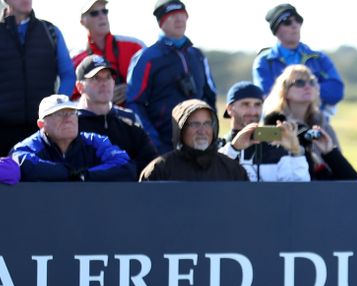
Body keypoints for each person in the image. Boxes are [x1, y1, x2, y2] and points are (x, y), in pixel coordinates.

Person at [0, 0, 75, 158]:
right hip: (0, 130)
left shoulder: (51, 31)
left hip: (43, 131)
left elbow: (68, 75)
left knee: (46, 180)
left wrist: (56, 109)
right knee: (1, 181)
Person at [126, 0, 217, 154]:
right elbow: (134, 103)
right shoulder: (146, 58)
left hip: (200, 144)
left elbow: (210, 98)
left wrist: (212, 135)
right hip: (164, 145)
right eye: (172, 15)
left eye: (182, 14)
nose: (179, 19)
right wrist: (153, 141)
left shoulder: (198, 55)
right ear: (161, 22)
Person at [263, 65, 357, 181]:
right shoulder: (274, 125)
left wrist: (329, 153)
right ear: (285, 91)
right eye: (299, 83)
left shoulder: (323, 127)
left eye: (312, 82)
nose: (308, 86)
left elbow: (352, 181)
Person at [11, 94, 136, 182]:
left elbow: (125, 165)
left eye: (72, 112)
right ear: (42, 125)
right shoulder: (31, 146)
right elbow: (18, 161)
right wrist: (67, 173)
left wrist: (84, 175)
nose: (68, 118)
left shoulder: (94, 141)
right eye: (59, 114)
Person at [253, 4, 344, 118]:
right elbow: (267, 97)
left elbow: (336, 93)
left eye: (298, 20)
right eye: (287, 22)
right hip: (280, 124)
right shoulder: (265, 61)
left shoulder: (319, 58)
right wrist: (312, 90)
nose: (295, 25)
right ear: (276, 30)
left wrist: (296, 90)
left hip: (315, 122)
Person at [76, 55, 159, 172]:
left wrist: (124, 172)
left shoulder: (129, 119)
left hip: (128, 189)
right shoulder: (71, 122)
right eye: (96, 78)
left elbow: (150, 163)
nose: (104, 83)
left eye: (108, 77)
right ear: (80, 87)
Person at [219, 81, 310, 182]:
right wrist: (233, 149)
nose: (253, 112)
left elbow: (299, 188)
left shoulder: (276, 147)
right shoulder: (220, 146)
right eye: (245, 104)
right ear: (229, 109)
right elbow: (213, 181)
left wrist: (296, 151)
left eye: (257, 105)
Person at [140, 99, 247, 182]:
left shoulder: (233, 170)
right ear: (181, 130)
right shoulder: (159, 171)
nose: (202, 130)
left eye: (207, 123)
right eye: (195, 124)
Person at [71, 0, 145, 105]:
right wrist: (99, 98)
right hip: (95, 119)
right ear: (82, 21)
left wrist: (132, 90)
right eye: (94, 13)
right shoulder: (76, 60)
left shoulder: (135, 46)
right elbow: (70, 102)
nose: (101, 16)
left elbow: (154, 83)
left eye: (104, 11)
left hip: (136, 114)